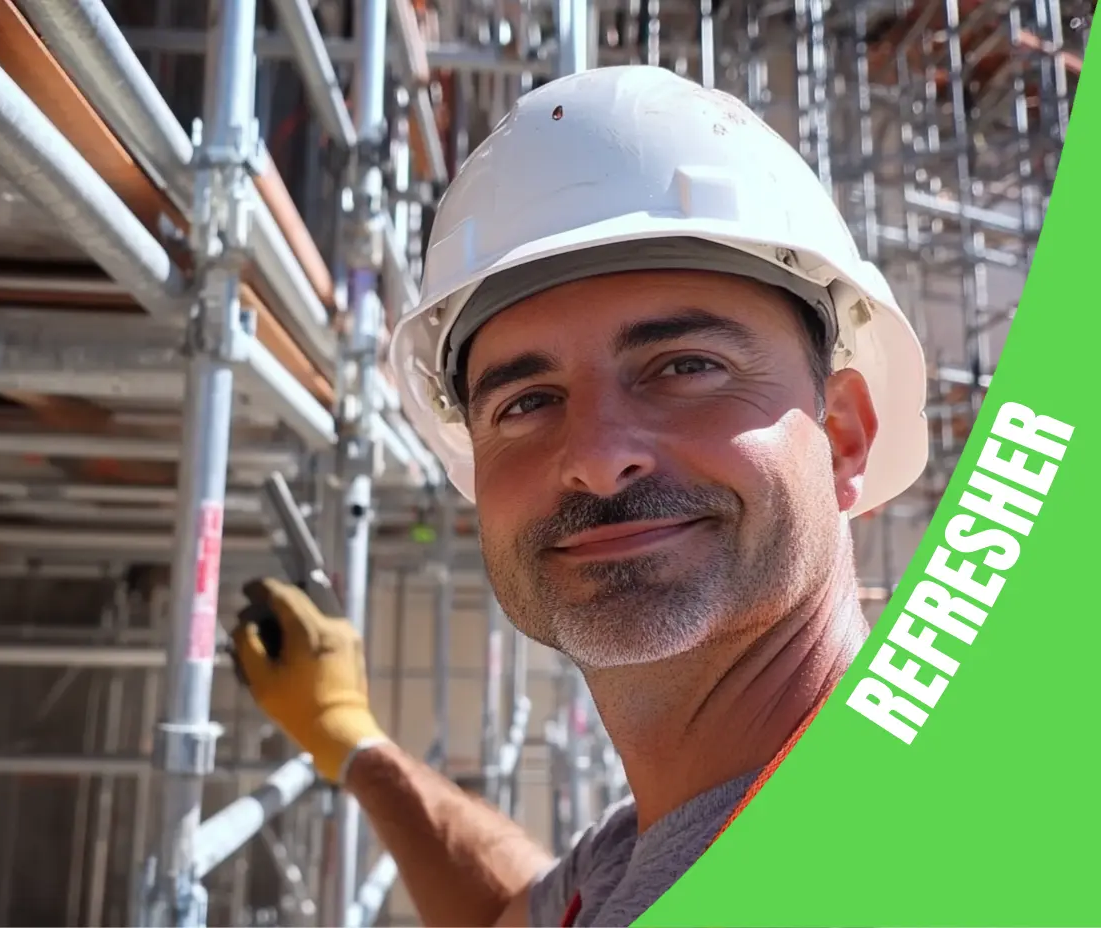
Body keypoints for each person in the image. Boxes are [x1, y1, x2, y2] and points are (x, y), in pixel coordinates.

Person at [230, 65, 929, 927]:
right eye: (526, 403)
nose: (597, 460)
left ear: (844, 436)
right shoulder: (652, 849)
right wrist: (356, 743)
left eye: (685, 367)